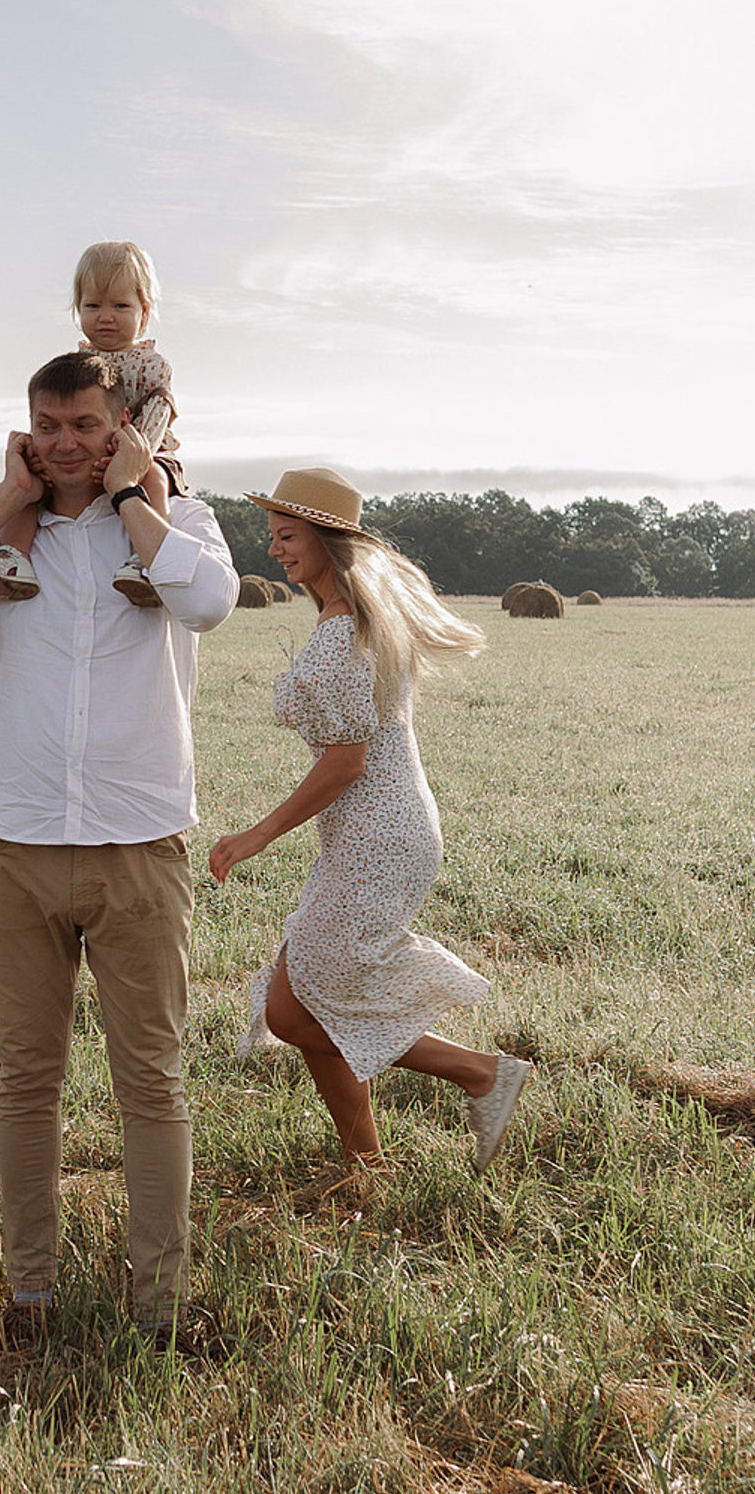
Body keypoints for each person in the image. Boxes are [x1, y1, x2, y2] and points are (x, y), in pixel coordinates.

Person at [0, 350, 238, 1347]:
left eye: (85, 422)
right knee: (25, 1077)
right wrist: (5, 492)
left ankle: (157, 1306)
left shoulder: (180, 521)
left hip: (140, 841)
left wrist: (133, 497)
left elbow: (207, 602)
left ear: (119, 422)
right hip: (20, 842)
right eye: (49, 423)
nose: (67, 440)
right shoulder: (11, 542)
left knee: (149, 1081)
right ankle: (29, 1297)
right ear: (28, 428)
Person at [208, 469, 533, 1178]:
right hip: (378, 836)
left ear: (327, 542)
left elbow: (346, 763)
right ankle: (365, 1164)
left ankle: (482, 1074)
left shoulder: (342, 635)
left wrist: (256, 835)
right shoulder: (351, 624)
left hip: (379, 841)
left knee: (300, 1009)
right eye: (273, 538)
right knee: (294, 1007)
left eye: (287, 538)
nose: (276, 553)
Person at [0, 240, 184, 611]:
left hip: (143, 451)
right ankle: (12, 556)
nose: (106, 317)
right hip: (84, 454)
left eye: (120, 306)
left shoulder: (153, 366)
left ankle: (148, 560)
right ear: (77, 309)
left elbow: (159, 414)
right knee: (32, 485)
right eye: (92, 306)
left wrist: (131, 458)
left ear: (144, 313)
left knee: (155, 480)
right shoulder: (76, 363)